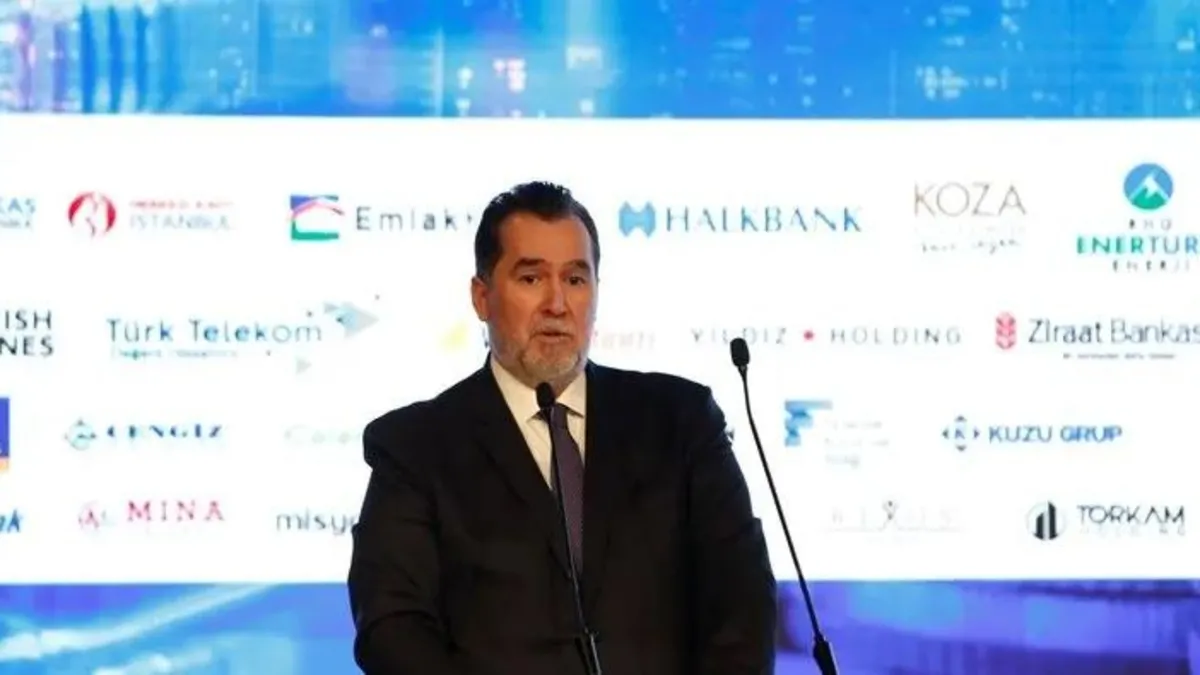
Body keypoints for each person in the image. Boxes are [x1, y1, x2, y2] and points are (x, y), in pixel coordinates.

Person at [347, 181, 777, 675]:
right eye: (531, 278)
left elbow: (742, 600)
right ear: (482, 297)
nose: (557, 303)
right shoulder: (415, 447)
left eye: (575, 279)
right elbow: (392, 625)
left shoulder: (681, 420)